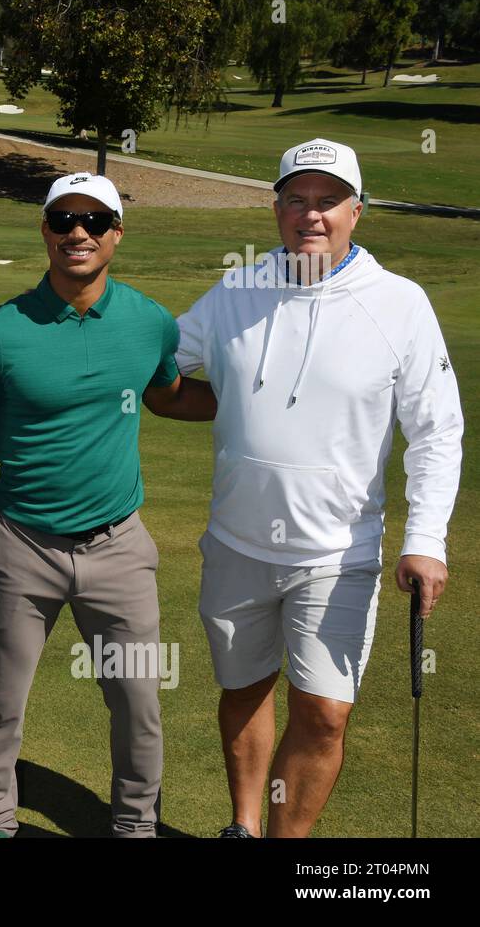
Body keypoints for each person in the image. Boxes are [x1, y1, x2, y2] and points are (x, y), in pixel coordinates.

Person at [175, 138, 463, 838]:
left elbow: (436, 431)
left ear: (356, 211)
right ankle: (243, 826)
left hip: (338, 551)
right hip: (238, 539)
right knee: (243, 690)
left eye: (328, 202)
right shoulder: (236, 290)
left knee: (324, 712)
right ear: (276, 209)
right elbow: (166, 363)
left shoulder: (399, 304)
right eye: (297, 200)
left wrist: (426, 541)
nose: (312, 215)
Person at [0, 172, 216, 838]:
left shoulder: (148, 322)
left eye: (93, 220)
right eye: (63, 221)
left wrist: (256, 406)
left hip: (118, 547)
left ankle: (135, 825)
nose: (77, 233)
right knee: (1, 703)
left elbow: (169, 395)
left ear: (117, 232)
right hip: (21, 547)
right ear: (46, 232)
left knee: (138, 701)